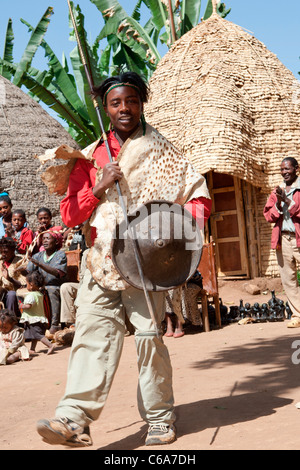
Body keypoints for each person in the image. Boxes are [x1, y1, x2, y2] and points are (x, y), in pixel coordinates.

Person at [36, 72, 211, 448]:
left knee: (149, 337)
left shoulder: (162, 149)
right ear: (105, 108)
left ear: (141, 102)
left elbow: (197, 195)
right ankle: (74, 419)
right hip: (99, 262)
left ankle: (161, 418)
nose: (124, 109)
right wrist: (97, 187)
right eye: (116, 103)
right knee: (92, 336)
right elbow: (69, 215)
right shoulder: (91, 155)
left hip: (147, 266)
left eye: (131, 100)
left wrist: (179, 244)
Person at [264, 157, 300, 327]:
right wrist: (278, 202)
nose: (285, 172)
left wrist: (287, 200)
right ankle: (297, 315)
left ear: (296, 169)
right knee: (288, 279)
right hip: (283, 239)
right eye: (282, 169)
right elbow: (268, 216)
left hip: (298, 238)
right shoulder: (276, 192)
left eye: (288, 169)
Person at [26, 230, 67, 334]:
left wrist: (39, 264)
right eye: (43, 239)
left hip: (56, 285)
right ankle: (32, 326)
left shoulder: (60, 254)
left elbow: (57, 273)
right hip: (42, 286)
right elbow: (29, 271)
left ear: (56, 241)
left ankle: (54, 324)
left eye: (48, 238)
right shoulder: (38, 255)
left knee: (52, 289)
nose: (44, 241)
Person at [19, 271, 54, 355]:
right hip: (39, 318)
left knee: (38, 335)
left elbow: (28, 306)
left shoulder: (31, 295)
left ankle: (50, 345)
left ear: (31, 285)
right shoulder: (39, 294)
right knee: (34, 335)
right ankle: (32, 349)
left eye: (26, 284)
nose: (26, 286)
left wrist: (21, 305)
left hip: (33, 319)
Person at [0, 237, 26, 317]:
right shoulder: (0, 262)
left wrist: (9, 279)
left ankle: (11, 321)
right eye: (1, 252)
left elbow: (24, 285)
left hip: (15, 294)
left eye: (6, 252)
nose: (3, 254)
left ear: (13, 250)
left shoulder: (21, 262)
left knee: (11, 295)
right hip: (2, 293)